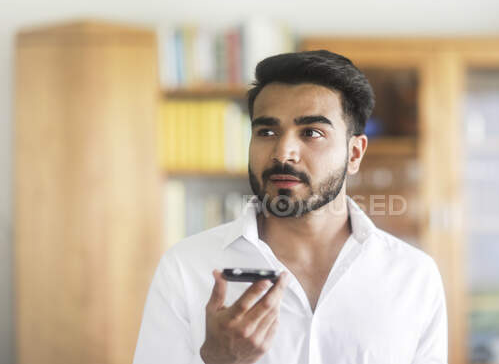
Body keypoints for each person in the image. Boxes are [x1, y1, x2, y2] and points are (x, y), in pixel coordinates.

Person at [133, 50, 447, 364]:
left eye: (312, 133)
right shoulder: (187, 268)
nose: (283, 153)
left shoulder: (414, 277)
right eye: (266, 132)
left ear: (354, 154)